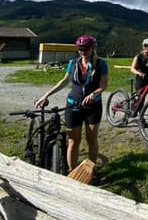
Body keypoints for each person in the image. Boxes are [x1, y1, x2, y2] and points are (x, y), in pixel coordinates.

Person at [35, 35, 108, 172]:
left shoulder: (101, 64)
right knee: (73, 142)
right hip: (73, 105)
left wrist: (94, 94)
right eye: (80, 49)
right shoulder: (73, 63)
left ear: (92, 48)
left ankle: (90, 171)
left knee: (91, 138)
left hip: (93, 106)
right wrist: (46, 95)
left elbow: (104, 85)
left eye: (86, 48)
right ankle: (73, 171)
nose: (83, 51)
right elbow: (64, 82)